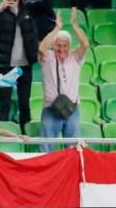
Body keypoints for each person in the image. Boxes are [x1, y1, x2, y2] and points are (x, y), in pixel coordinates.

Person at [0, 0, 41, 130]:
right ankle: (2, 135)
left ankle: (24, 134)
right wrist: (1, 8)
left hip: (25, 64)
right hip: (5, 63)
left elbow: (47, 5)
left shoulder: (28, 7)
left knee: (24, 102)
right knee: (5, 102)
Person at [38, 9, 89, 153]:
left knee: (73, 149)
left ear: (69, 46)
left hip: (72, 109)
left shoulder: (75, 57)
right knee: (46, 149)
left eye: (65, 45)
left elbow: (85, 44)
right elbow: (42, 47)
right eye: (58, 45)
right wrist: (57, 29)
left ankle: (72, 175)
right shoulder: (48, 57)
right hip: (50, 109)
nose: (61, 49)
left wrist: (75, 25)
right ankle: (46, 175)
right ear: (54, 46)